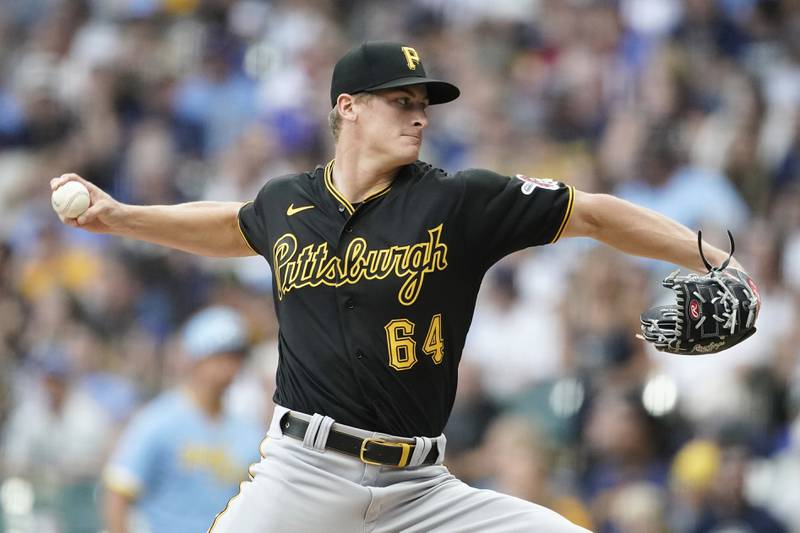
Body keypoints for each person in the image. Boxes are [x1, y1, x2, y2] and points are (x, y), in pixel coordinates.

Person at [53, 41, 750, 532]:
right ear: (348, 108)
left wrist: (709, 255)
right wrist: (120, 216)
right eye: (401, 101)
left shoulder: (460, 201)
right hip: (304, 475)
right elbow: (231, 226)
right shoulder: (286, 202)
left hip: (423, 491)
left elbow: (594, 211)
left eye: (424, 103)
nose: (419, 114)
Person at [102, 306, 263, 533]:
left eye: (237, 358)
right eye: (223, 356)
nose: (231, 367)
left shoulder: (248, 430)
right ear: (197, 359)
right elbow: (118, 490)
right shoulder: (158, 420)